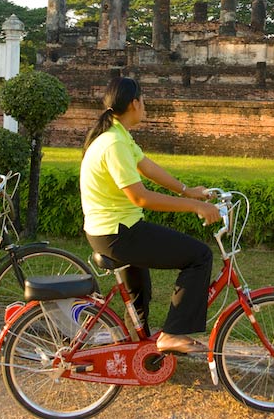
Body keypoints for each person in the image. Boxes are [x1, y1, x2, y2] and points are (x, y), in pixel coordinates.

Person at [80, 76, 222, 354]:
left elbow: (147, 167)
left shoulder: (119, 135)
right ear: (134, 103)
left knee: (140, 291)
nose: (145, 106)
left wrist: (186, 191)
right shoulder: (113, 143)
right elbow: (141, 197)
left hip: (114, 229)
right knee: (199, 256)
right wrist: (195, 206)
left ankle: (139, 348)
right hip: (117, 232)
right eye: (143, 100)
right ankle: (172, 334)